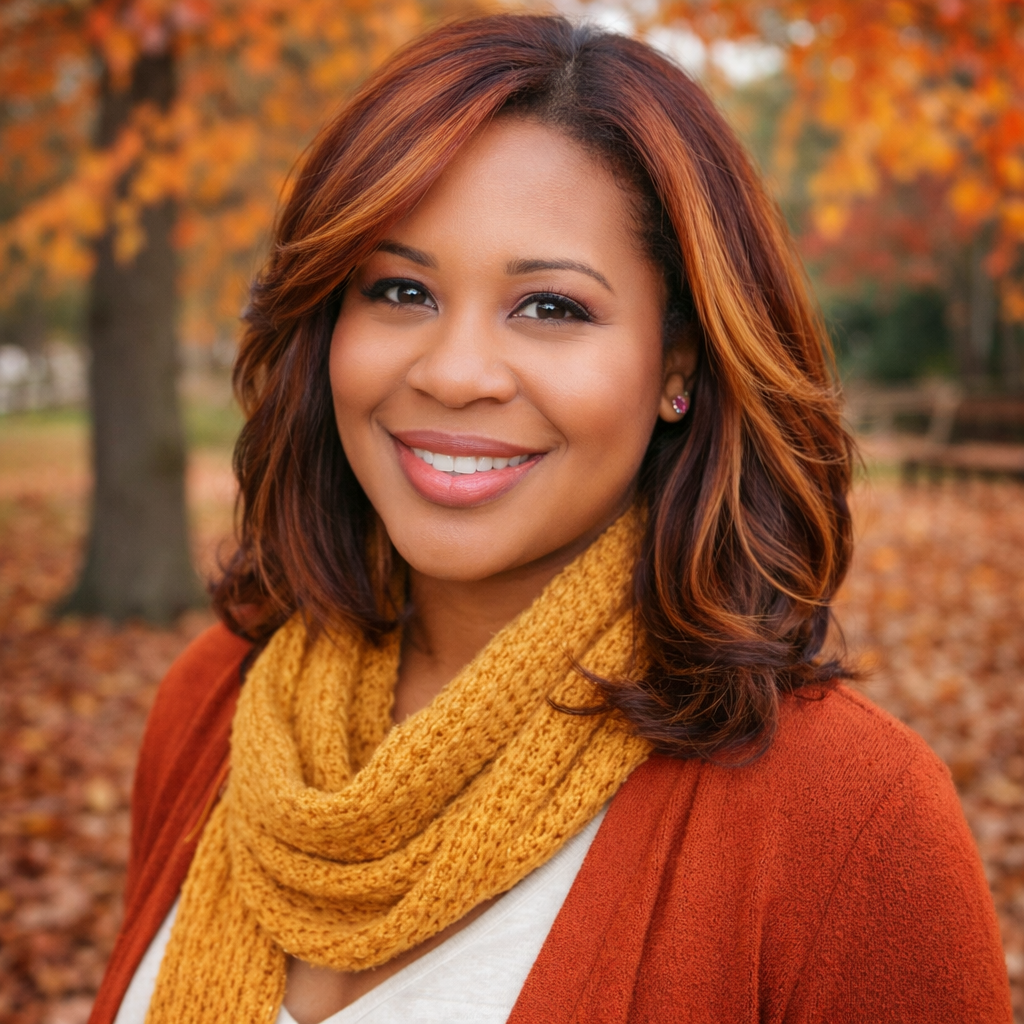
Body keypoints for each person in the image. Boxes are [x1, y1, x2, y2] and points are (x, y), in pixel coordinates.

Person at [90, 14, 1012, 1024]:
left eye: (550, 308)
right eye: (400, 290)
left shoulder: (852, 823)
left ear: (678, 366)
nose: (452, 373)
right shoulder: (213, 701)